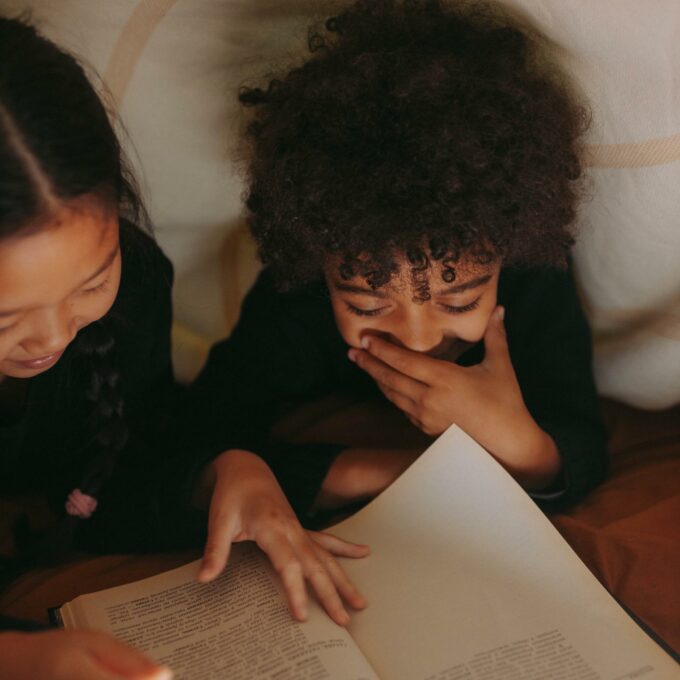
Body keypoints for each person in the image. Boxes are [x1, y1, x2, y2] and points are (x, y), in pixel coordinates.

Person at [0, 16, 366, 680]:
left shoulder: (135, 290)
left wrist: (227, 472)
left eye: (91, 281)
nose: (54, 337)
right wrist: (20, 656)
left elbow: (120, 472)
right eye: (4, 318)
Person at [189, 0, 607, 521]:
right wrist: (394, 470)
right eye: (367, 305)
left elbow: (580, 444)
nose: (417, 339)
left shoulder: (532, 279)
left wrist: (515, 441)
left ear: (509, 251)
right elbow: (198, 438)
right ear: (317, 261)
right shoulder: (296, 299)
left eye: (460, 300)